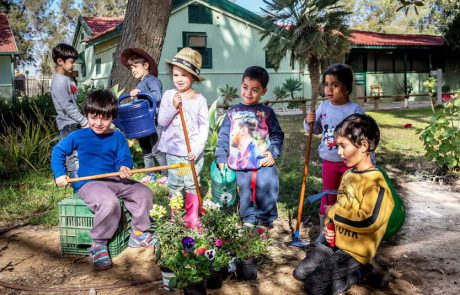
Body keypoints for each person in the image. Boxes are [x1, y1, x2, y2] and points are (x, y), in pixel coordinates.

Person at [51, 90, 156, 271]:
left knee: (143, 192)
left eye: (105, 118)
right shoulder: (79, 136)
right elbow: (58, 151)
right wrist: (60, 174)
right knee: (109, 202)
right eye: (93, 117)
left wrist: (124, 167)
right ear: (87, 115)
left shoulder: (117, 137)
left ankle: (138, 233)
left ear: (113, 118)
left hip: (114, 180)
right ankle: (98, 243)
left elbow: (124, 158)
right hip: (89, 183)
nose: (98, 123)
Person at [293, 113, 393, 295]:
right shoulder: (348, 175)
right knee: (300, 274)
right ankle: (336, 268)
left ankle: (364, 270)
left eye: (343, 146)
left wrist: (333, 213)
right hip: (337, 242)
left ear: (363, 146)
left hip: (356, 250)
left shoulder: (376, 184)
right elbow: (343, 204)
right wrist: (330, 227)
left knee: (314, 286)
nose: (338, 152)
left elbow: (369, 221)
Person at [215, 66, 284, 228]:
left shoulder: (267, 112)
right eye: (245, 88)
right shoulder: (232, 112)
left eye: (255, 90)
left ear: (263, 91)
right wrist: (221, 156)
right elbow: (224, 135)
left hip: (263, 162)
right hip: (240, 162)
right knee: (244, 191)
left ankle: (265, 220)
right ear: (241, 85)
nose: (248, 93)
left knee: (268, 189)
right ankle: (248, 219)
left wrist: (273, 153)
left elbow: (277, 134)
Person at [304, 63, 365, 244]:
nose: (329, 89)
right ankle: (326, 231)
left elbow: (364, 137)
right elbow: (314, 129)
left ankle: (346, 230)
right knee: (328, 195)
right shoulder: (323, 107)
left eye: (335, 85)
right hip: (329, 160)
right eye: (326, 84)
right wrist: (309, 122)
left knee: (348, 195)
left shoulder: (354, 110)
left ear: (346, 88)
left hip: (349, 163)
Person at [157, 47, 209, 229]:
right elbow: (162, 120)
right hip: (174, 152)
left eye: (184, 75)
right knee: (176, 184)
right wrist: (173, 106)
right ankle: (176, 216)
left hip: (190, 154)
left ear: (193, 77)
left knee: (191, 183)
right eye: (176, 74)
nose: (179, 79)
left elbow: (204, 128)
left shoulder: (199, 100)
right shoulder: (169, 95)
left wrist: (196, 150)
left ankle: (192, 217)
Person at [120, 48, 168, 185]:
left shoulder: (152, 80)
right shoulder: (141, 83)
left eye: (135, 66)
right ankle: (150, 174)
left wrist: (140, 92)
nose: (133, 70)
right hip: (142, 124)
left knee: (157, 150)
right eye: (131, 68)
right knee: (146, 150)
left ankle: (167, 174)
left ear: (146, 65)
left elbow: (157, 96)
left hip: (152, 121)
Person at [51, 43, 88, 181]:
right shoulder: (59, 82)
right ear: (60, 61)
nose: (74, 65)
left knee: (80, 155)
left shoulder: (68, 79)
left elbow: (73, 102)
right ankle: (78, 189)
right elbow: (67, 106)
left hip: (75, 123)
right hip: (67, 126)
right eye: (72, 62)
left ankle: (85, 185)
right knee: (73, 158)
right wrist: (84, 121)